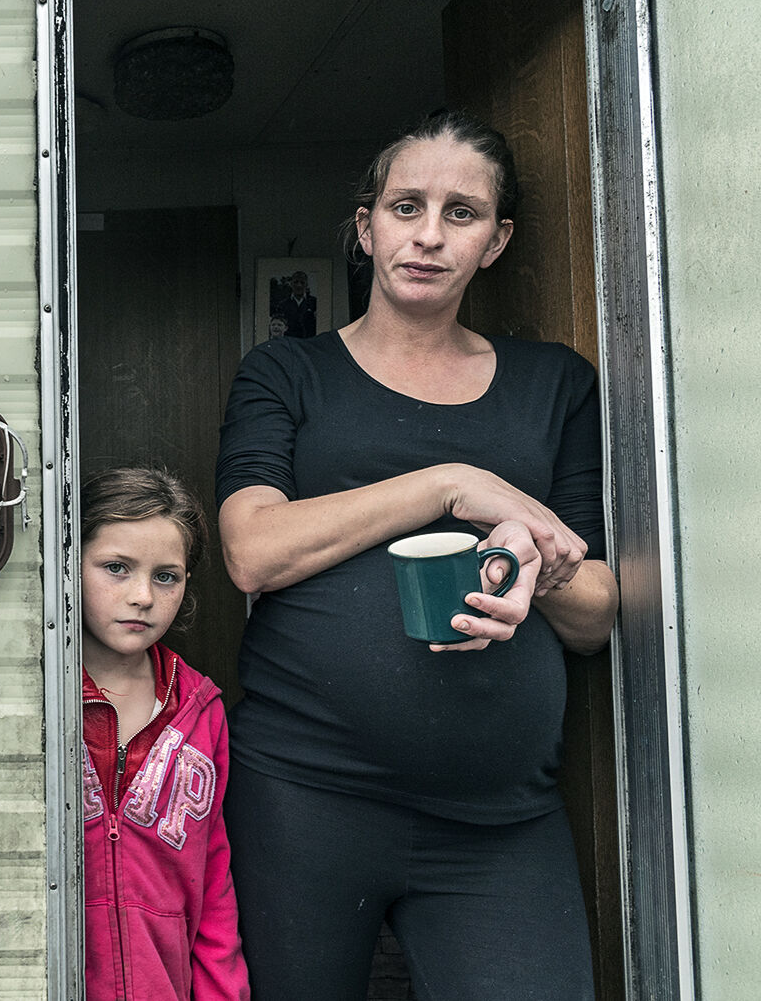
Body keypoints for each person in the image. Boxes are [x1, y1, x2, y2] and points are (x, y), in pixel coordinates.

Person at [215, 109, 619, 1000]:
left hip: (499, 821)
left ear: (497, 239)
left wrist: (532, 563)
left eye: (462, 213)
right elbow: (251, 549)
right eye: (406, 206)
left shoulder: (555, 384)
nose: (429, 235)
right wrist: (451, 483)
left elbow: (596, 613)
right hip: (302, 797)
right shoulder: (286, 375)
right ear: (366, 227)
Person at [80, 467, 250, 1001]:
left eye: (165, 576)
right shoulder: (34, 702)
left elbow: (213, 882)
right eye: (116, 568)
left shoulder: (200, 711)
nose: (142, 596)